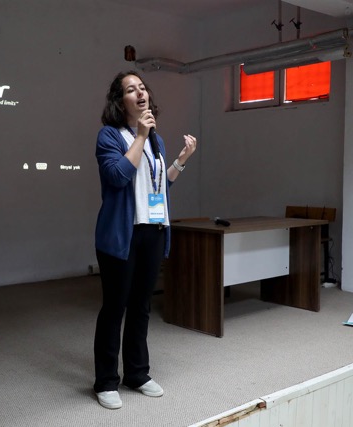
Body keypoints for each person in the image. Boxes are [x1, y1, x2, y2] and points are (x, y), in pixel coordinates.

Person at [93, 70, 197, 409]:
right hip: (122, 235)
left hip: (153, 231)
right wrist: (139, 135)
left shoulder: (157, 141)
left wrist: (180, 160)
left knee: (141, 307)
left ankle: (136, 374)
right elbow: (118, 176)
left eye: (142, 88)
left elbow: (158, 186)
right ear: (119, 101)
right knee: (115, 308)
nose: (139, 93)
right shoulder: (110, 136)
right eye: (130, 89)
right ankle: (106, 381)